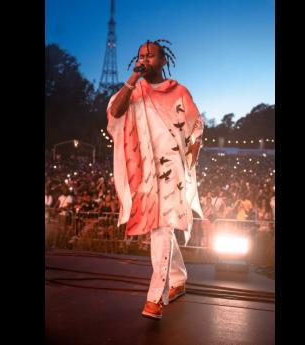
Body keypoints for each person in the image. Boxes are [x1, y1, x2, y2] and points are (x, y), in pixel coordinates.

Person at [107, 39, 204, 320]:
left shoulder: (178, 91)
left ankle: (155, 298)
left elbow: (196, 125)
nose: (145, 59)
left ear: (163, 61)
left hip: (173, 168)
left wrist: (193, 152)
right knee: (161, 225)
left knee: (162, 225)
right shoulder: (134, 90)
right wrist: (133, 77)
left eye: (151, 56)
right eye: (141, 56)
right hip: (146, 168)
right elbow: (115, 112)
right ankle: (178, 278)